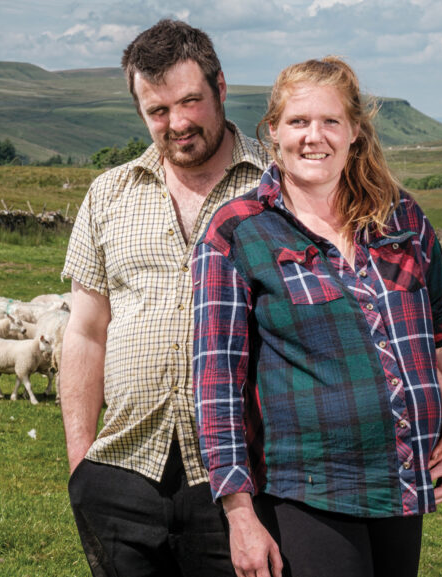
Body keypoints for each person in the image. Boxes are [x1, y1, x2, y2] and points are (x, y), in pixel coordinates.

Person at [191, 56, 442, 577]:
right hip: (307, 489)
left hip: (400, 483)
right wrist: (239, 514)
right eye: (298, 122)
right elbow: (216, 381)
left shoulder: (403, 219)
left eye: (330, 122)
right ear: (273, 131)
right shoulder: (239, 232)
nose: (313, 137)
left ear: (355, 134)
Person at [58, 19, 271, 576]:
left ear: (221, 87)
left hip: (243, 480)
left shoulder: (278, 187)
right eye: (157, 111)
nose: (176, 123)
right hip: (122, 471)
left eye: (190, 101)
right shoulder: (110, 193)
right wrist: (82, 465)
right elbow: (85, 330)